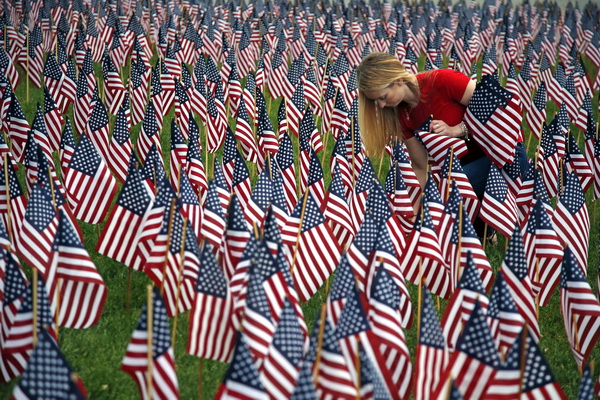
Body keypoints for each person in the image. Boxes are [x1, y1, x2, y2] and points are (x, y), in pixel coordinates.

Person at [356, 52, 528, 203]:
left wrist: (458, 129)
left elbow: (498, 108)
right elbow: (420, 167)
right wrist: (419, 206)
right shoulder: (402, 114)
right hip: (461, 167)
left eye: (383, 97)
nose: (380, 105)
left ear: (398, 80)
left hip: (503, 152)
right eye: (375, 101)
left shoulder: (442, 80)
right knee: (443, 203)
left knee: (450, 196)